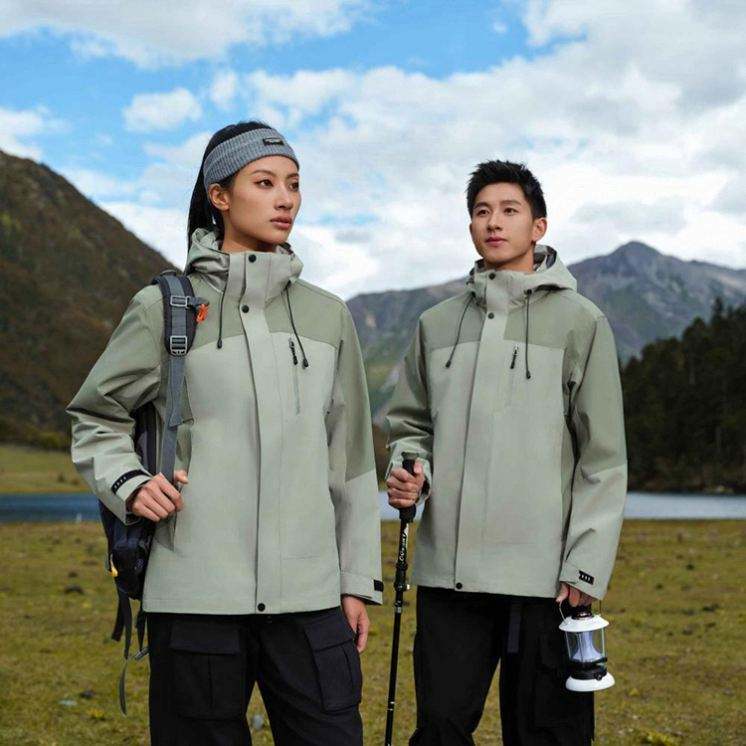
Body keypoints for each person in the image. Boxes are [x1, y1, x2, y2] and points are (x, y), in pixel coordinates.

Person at [68, 121, 383, 745]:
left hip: (310, 597)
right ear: (219, 196)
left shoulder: (329, 316)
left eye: (294, 184)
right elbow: (96, 415)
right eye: (264, 183)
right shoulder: (164, 307)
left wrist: (354, 581)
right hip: (194, 594)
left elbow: (348, 461)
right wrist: (130, 483)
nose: (285, 199)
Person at [385, 160, 627, 745]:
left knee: (548, 734)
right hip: (449, 577)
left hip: (546, 580)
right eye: (481, 211)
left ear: (538, 227)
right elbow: (410, 425)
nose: (494, 222)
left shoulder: (582, 322)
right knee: (440, 730)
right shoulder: (435, 323)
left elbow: (603, 458)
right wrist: (410, 467)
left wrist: (585, 565)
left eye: (509, 210)